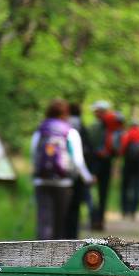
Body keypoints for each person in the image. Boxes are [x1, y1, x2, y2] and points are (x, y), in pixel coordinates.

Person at [31, 99, 94, 240]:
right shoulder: (70, 132)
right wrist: (88, 178)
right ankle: (57, 259)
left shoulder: (40, 131)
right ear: (66, 113)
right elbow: (78, 161)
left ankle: (40, 257)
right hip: (63, 183)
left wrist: (36, 175)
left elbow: (34, 154)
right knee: (60, 224)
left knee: (44, 223)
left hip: (42, 181)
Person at [87, 100, 122, 231]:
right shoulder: (114, 126)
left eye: (96, 110)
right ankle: (100, 221)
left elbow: (90, 144)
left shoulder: (95, 127)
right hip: (107, 162)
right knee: (103, 194)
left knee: (90, 192)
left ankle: (93, 220)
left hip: (95, 162)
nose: (94, 113)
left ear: (100, 111)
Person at [64, 102, 95, 239]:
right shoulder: (80, 127)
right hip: (76, 176)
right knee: (75, 208)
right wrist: (87, 176)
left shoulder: (61, 125)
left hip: (59, 175)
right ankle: (72, 237)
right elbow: (81, 157)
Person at [118, 119, 139, 220]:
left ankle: (124, 211)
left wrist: (118, 163)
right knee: (137, 187)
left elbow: (122, 150)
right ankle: (134, 211)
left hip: (128, 163)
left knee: (125, 187)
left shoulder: (127, 134)